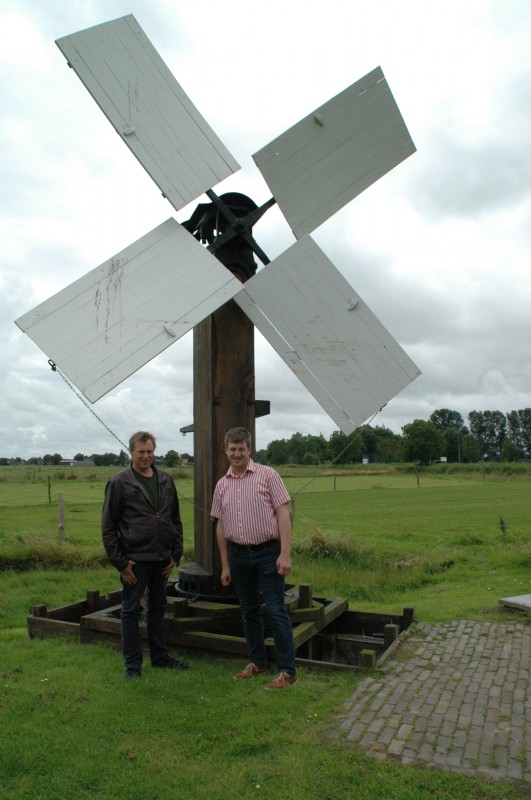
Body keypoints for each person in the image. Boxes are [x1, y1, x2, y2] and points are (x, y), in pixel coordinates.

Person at [211, 426, 297, 689]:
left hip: (268, 553)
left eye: (241, 449)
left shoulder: (268, 476)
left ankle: (287, 671)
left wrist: (284, 553)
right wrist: (225, 564)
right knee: (248, 611)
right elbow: (221, 525)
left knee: (275, 609)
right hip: (239, 555)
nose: (237, 454)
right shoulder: (222, 485)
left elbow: (283, 513)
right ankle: (257, 662)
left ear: (250, 450)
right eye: (232, 449)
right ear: (226, 451)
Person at [102, 431, 189, 679]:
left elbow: (175, 519)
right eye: (141, 452)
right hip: (135, 560)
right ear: (131, 452)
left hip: (162, 559)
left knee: (158, 608)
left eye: (150, 451)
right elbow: (108, 526)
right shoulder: (120, 482)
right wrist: (121, 562)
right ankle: (133, 666)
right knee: (130, 610)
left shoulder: (166, 480)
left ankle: (160, 658)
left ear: (154, 451)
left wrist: (176, 553)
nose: (146, 456)